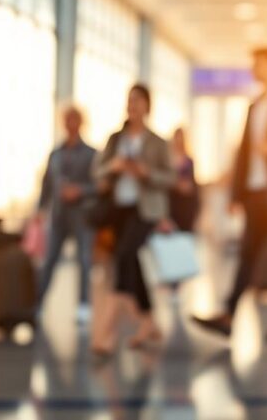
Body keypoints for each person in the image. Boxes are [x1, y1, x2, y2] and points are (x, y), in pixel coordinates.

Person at [192, 47, 267, 342]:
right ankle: (228, 316)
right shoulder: (253, 107)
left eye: (258, 64)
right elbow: (243, 156)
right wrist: (236, 195)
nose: (254, 69)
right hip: (255, 194)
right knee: (247, 255)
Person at [90, 84, 175, 355]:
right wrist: (114, 168)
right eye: (130, 101)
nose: (133, 106)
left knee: (125, 258)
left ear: (147, 107)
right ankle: (149, 323)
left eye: (138, 101)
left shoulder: (157, 143)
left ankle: (106, 332)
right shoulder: (116, 139)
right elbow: (98, 172)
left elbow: (170, 178)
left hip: (145, 211)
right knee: (133, 265)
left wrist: (145, 172)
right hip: (119, 210)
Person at [33, 106, 97, 324]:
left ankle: (84, 305)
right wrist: (40, 210)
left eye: (75, 120)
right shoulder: (56, 153)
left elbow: (98, 186)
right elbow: (46, 184)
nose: (71, 124)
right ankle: (39, 303)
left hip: (82, 216)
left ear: (81, 123)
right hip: (58, 216)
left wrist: (79, 190)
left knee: (84, 260)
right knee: (49, 259)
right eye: (67, 119)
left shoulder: (91, 154)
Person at [167, 127, 200, 234]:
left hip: (186, 206)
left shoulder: (189, 160)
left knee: (185, 236)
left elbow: (192, 186)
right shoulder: (168, 159)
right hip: (172, 204)